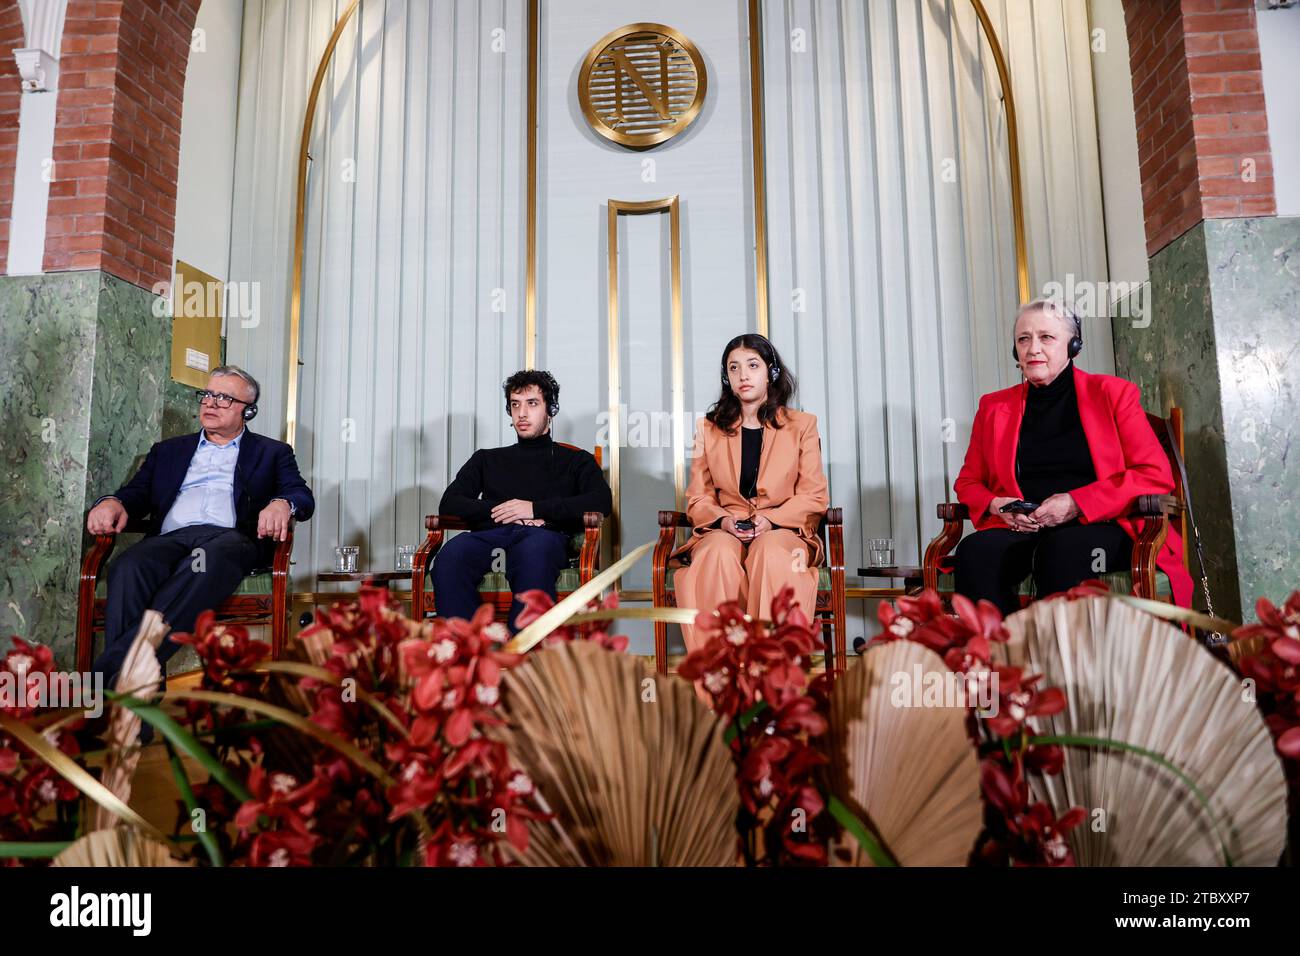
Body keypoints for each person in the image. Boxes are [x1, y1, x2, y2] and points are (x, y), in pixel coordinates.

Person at [952, 298, 1193, 613]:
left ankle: (1063, 659)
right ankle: (1001, 656)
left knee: (1061, 550)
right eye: (1023, 339)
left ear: (1073, 345)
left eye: (1046, 337)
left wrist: (1077, 502)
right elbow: (968, 482)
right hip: (1025, 528)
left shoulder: (1113, 394)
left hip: (1104, 524)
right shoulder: (994, 407)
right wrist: (999, 506)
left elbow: (1154, 475)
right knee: (975, 550)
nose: (1033, 348)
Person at [86, 365, 315, 678]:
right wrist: (112, 502)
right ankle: (134, 700)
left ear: (247, 411)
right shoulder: (168, 451)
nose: (210, 403)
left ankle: (106, 682)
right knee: (128, 565)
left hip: (227, 540)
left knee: (206, 559)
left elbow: (300, 494)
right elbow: (135, 494)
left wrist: (281, 504)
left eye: (223, 398)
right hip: (170, 540)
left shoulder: (271, 452)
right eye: (207, 395)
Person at [672, 334, 829, 650]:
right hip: (725, 528)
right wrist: (723, 521)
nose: (742, 375)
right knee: (716, 552)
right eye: (733, 368)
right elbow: (698, 497)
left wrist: (770, 520)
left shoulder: (803, 426)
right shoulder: (708, 429)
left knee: (770, 553)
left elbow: (814, 496)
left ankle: (769, 673)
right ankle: (719, 676)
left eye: (752, 365)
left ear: (770, 372)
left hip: (784, 531)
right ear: (726, 378)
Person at [431, 370, 612, 631]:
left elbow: (601, 501)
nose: (522, 414)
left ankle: (521, 655)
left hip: (542, 537)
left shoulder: (575, 460)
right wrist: (505, 510)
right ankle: (470, 648)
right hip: (491, 535)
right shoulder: (486, 459)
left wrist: (534, 508)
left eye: (532, 404)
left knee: (534, 554)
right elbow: (449, 503)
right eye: (515, 405)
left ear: (550, 409)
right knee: (450, 556)